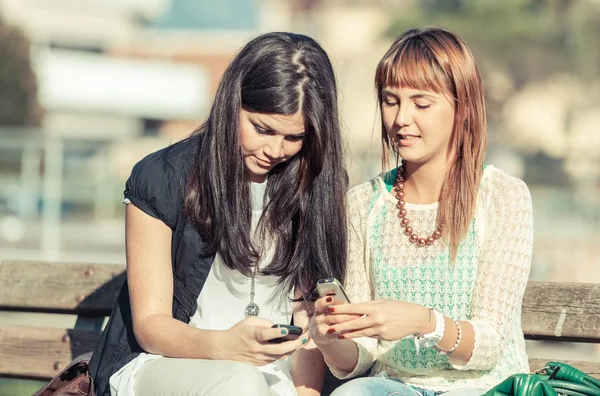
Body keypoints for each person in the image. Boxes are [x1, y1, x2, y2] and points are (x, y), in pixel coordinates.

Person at [88, 32, 348, 396]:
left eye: (294, 138)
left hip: (271, 377)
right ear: (232, 103)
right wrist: (226, 347)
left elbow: (308, 328)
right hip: (164, 364)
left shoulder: (314, 186)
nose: (274, 149)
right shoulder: (163, 176)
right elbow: (150, 325)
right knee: (241, 382)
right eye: (262, 129)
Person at [310, 27, 534, 396]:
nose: (401, 119)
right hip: (395, 387)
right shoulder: (363, 204)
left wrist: (423, 321)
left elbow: (491, 344)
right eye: (390, 100)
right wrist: (330, 338)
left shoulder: (502, 197)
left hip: (485, 387)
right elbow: (363, 355)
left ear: (462, 107)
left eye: (421, 103)